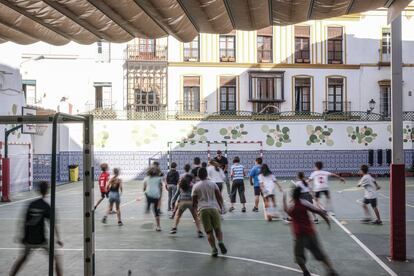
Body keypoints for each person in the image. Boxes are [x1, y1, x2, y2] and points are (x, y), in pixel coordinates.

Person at [10, 181, 63, 276]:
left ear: (38, 190)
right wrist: (58, 239)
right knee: (56, 258)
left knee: (22, 258)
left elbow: (23, 221)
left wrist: (20, 236)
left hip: (28, 239)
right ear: (47, 191)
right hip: (41, 240)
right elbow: (53, 224)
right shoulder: (47, 207)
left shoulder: (31, 204)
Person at [283, 187, 338, 276]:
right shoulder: (305, 203)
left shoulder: (292, 207)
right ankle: (331, 271)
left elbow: (286, 211)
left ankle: (305, 272)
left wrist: (283, 198)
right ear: (300, 195)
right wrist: (327, 220)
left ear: (292, 196)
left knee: (298, 256)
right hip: (310, 233)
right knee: (319, 253)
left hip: (299, 235)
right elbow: (319, 211)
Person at [192, 168, 227, 257]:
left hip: (203, 210)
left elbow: (194, 202)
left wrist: (196, 213)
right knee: (218, 229)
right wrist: (222, 207)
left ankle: (214, 249)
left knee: (209, 231)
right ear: (206, 174)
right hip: (214, 208)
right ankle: (220, 241)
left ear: (198, 175)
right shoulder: (213, 184)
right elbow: (219, 197)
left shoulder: (196, 186)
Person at [143, 166, 163, 231]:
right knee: (156, 211)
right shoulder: (159, 179)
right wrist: (160, 196)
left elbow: (144, 188)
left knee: (146, 193)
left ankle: (148, 206)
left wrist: (144, 191)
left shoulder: (146, 178)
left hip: (149, 195)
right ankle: (158, 226)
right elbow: (160, 188)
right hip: (156, 196)